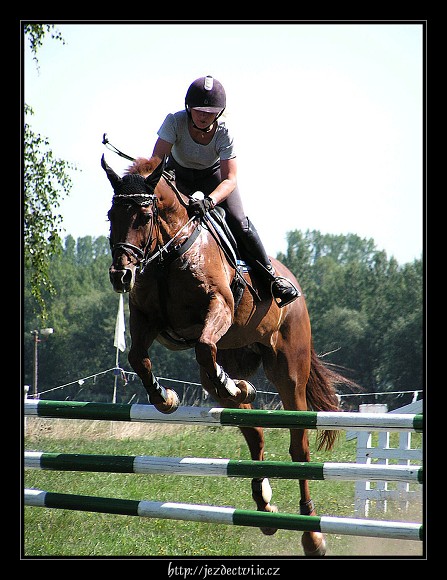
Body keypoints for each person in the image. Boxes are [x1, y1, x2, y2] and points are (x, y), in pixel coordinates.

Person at [137, 75, 299, 308]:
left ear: (220, 112)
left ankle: (272, 278)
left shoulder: (224, 132)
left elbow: (230, 179)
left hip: (214, 178)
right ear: (189, 108)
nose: (203, 116)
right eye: (198, 110)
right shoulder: (174, 122)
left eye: (210, 111)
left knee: (238, 221)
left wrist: (210, 201)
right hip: (178, 177)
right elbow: (156, 165)